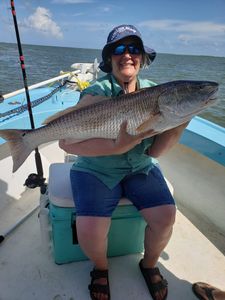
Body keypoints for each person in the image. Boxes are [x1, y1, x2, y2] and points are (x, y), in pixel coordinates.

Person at [59, 24, 188, 300]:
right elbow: (70, 144)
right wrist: (118, 146)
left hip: (140, 167)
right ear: (109, 59)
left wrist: (179, 124)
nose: (127, 54)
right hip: (96, 170)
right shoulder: (96, 91)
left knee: (166, 217)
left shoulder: (157, 93)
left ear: (142, 57)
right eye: (119, 49)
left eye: (134, 49)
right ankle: (101, 268)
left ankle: (149, 264)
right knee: (90, 229)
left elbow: (154, 153)